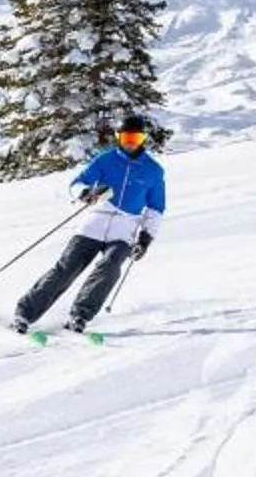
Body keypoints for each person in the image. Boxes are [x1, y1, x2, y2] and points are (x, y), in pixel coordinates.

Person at [12, 112, 167, 337]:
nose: (131, 144)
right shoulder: (105, 160)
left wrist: (145, 239)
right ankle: (25, 313)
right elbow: (77, 183)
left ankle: (79, 315)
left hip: (124, 229)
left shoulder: (153, 170)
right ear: (118, 137)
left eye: (136, 139)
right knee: (66, 268)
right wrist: (85, 193)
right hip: (95, 222)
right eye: (127, 138)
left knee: (110, 267)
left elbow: (156, 208)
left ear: (143, 139)